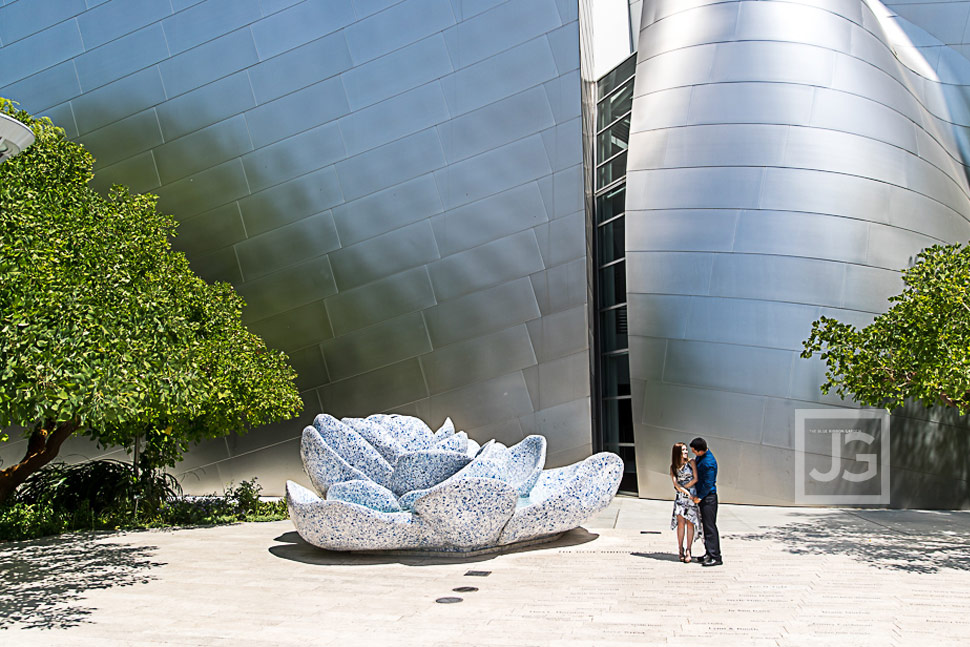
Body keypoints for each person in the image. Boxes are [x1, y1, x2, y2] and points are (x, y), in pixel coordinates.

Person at [690, 437, 722, 566]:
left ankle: (716, 556)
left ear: (701, 451)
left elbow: (708, 483)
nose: (694, 454)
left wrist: (700, 497)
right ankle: (708, 553)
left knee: (710, 527)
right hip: (704, 497)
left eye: (695, 451)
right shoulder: (701, 458)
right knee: (705, 527)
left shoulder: (709, 462)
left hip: (708, 498)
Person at [669, 442, 702, 563]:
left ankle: (689, 549)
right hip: (681, 497)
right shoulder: (673, 467)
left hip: (691, 494)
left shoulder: (691, 462)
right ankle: (680, 548)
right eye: (683, 450)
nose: (686, 452)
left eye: (686, 450)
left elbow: (695, 478)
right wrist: (685, 491)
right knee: (681, 522)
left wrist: (687, 489)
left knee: (690, 522)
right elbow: (676, 484)